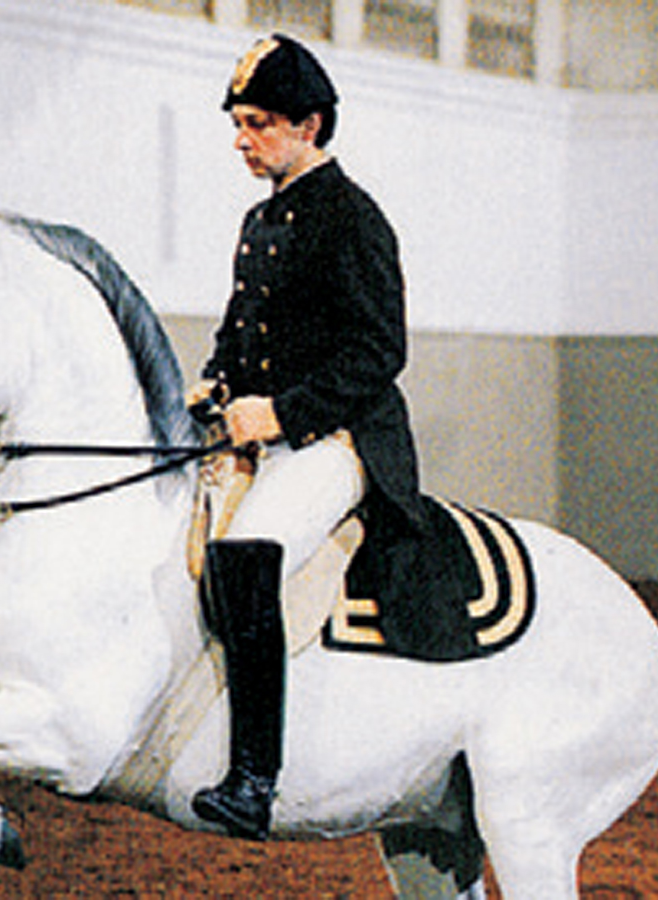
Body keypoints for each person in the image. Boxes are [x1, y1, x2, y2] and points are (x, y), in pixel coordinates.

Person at [187, 33, 425, 841]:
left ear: (309, 125)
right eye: (240, 124)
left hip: (342, 440)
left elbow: (379, 352)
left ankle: (254, 778)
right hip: (268, 436)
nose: (242, 140)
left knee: (245, 551)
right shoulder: (259, 220)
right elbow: (239, 327)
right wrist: (216, 382)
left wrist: (281, 414)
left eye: (257, 124)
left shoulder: (352, 218)